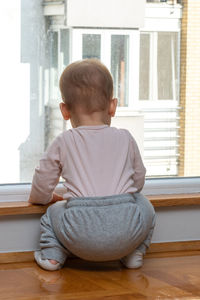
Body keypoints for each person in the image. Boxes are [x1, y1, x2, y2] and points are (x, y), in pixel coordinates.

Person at [29, 59, 155, 271]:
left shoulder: (63, 141)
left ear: (64, 110)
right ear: (112, 106)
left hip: (78, 233)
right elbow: (138, 180)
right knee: (147, 206)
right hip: (127, 229)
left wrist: (43, 199)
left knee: (51, 215)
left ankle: (53, 256)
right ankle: (135, 253)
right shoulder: (125, 137)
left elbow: (42, 182)